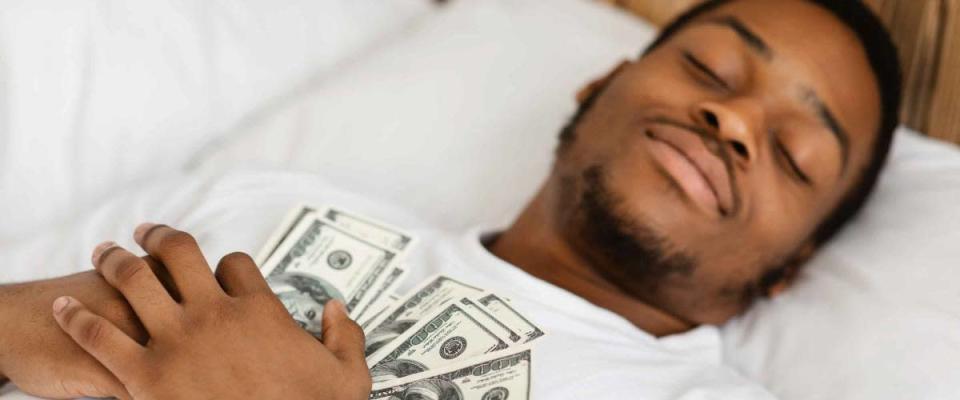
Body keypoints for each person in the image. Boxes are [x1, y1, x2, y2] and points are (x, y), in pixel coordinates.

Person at [0, 0, 901, 398]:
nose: (734, 119)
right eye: (710, 68)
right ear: (600, 85)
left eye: (793, 152)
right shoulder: (264, 205)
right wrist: (67, 327)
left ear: (789, 270)